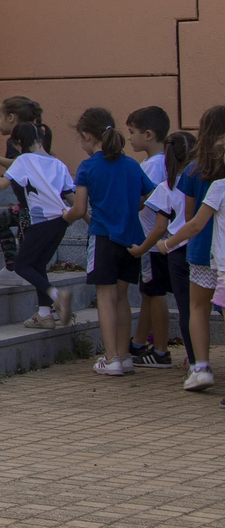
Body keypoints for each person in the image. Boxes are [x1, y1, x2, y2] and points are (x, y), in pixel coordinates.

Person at [62, 107, 156, 377]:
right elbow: (151, 194)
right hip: (131, 237)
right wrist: (131, 204)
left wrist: (65, 216)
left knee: (104, 297)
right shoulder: (131, 165)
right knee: (122, 297)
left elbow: (80, 209)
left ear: (86, 135)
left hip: (103, 237)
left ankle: (111, 357)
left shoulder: (88, 167)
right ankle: (124, 356)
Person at [0, 120, 76, 327]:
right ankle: (44, 314)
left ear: (19, 143)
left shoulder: (24, 160)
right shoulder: (59, 164)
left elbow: (1, 184)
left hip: (41, 222)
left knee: (22, 265)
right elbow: (73, 199)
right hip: (61, 222)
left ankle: (56, 295)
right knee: (38, 265)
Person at [158, 103, 225, 392]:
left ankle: (201, 367)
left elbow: (189, 216)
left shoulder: (195, 170)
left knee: (197, 307)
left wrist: (168, 243)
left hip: (200, 249)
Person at [131, 130, 198, 371]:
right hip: (200, 248)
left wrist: (141, 249)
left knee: (186, 308)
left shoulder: (166, 187)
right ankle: (196, 357)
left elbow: (160, 228)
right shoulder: (201, 184)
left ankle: (192, 359)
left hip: (175, 250)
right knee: (202, 307)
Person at [0, 97, 51, 286]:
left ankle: (20, 269)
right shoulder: (39, 135)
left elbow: (22, 163)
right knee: (1, 220)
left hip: (32, 208)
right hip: (36, 205)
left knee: (23, 231)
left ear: (11, 117)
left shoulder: (16, 141)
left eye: (0, 116)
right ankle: (13, 267)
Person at [125, 106, 174, 367]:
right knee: (149, 293)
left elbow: (143, 200)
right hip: (156, 241)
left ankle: (161, 351)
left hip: (151, 242)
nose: (129, 137)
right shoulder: (163, 162)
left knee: (155, 294)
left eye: (132, 132)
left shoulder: (153, 166)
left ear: (149, 134)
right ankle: (139, 342)